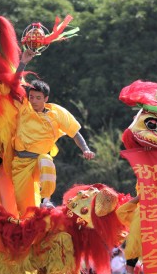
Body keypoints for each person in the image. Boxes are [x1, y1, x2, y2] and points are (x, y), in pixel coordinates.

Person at [12, 78, 95, 214]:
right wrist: (20, 69)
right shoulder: (23, 108)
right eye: (31, 97)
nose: (34, 101)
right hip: (20, 163)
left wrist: (85, 149)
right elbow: (12, 87)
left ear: (46, 98)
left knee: (46, 159)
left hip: (39, 161)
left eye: (38, 98)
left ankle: (45, 199)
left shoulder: (56, 113)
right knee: (24, 208)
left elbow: (74, 133)